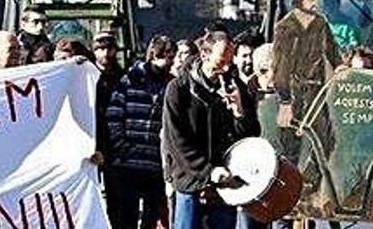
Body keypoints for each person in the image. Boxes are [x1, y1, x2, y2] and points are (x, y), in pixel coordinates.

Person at [162, 31, 260, 229]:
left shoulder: (234, 86)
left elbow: (250, 136)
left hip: (225, 184)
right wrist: (209, 172)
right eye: (222, 59)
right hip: (189, 181)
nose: (227, 65)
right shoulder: (178, 89)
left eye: (230, 59)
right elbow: (176, 141)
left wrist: (239, 111)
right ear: (205, 55)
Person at [272, 0, 342, 206]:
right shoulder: (285, 27)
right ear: (299, 0)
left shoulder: (321, 23)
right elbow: (280, 65)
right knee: (290, 145)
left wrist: (341, 68)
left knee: (326, 138)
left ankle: (309, 182)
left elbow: (332, 51)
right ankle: (286, 194)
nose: (315, 2)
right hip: (292, 91)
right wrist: (284, 99)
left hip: (316, 89)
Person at [105, 35, 175, 229]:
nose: (169, 62)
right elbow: (114, 115)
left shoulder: (171, 85)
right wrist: (123, 147)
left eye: (171, 58)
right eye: (166, 57)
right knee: (126, 216)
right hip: (127, 162)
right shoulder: (129, 80)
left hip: (155, 163)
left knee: (150, 219)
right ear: (153, 55)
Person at [91, 31, 124, 168]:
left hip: (115, 140)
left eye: (109, 49)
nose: (105, 53)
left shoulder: (123, 77)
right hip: (93, 135)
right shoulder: (88, 75)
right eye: (101, 49)